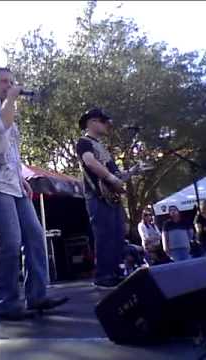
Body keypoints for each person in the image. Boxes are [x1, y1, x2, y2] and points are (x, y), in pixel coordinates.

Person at [0, 67, 68, 321]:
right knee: (11, 241)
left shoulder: (7, 112)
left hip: (14, 185)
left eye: (12, 82)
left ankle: (37, 296)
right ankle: (8, 303)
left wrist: (22, 178)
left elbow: (11, 153)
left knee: (35, 236)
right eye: (3, 81)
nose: (9, 85)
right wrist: (11, 98)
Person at [76, 108, 127, 288]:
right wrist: (112, 178)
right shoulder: (84, 142)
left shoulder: (103, 147)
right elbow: (90, 161)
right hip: (97, 195)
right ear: (92, 122)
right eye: (103, 121)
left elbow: (115, 173)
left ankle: (115, 272)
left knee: (117, 235)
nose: (107, 125)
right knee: (104, 235)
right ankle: (103, 276)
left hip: (110, 196)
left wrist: (129, 174)